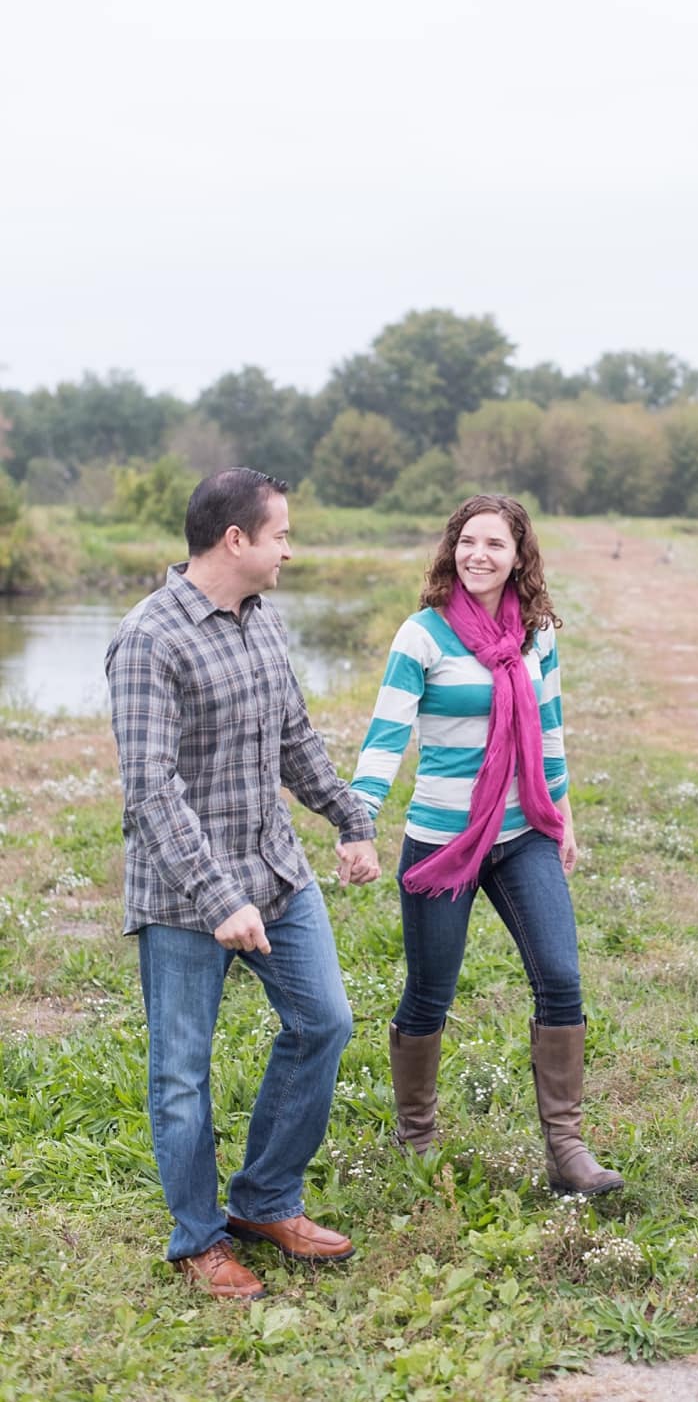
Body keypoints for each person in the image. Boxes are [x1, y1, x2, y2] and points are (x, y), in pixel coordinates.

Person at [106, 468, 381, 1301]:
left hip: (277, 872)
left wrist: (351, 819)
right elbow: (151, 789)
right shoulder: (148, 638)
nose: (289, 550)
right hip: (186, 897)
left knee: (324, 1022)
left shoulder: (263, 620)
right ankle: (198, 1239)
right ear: (236, 540)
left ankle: (263, 1199)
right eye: (281, 535)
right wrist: (217, 897)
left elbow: (294, 737)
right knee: (181, 1074)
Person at [347, 494, 622, 1196]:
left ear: (518, 556)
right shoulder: (423, 635)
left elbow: (551, 727)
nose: (479, 555)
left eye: (495, 544)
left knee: (560, 977)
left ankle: (567, 1150)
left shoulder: (536, 635)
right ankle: (416, 1138)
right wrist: (361, 820)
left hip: (521, 831)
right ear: (452, 548)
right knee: (430, 991)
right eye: (469, 541)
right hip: (443, 841)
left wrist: (561, 816)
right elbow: (387, 735)